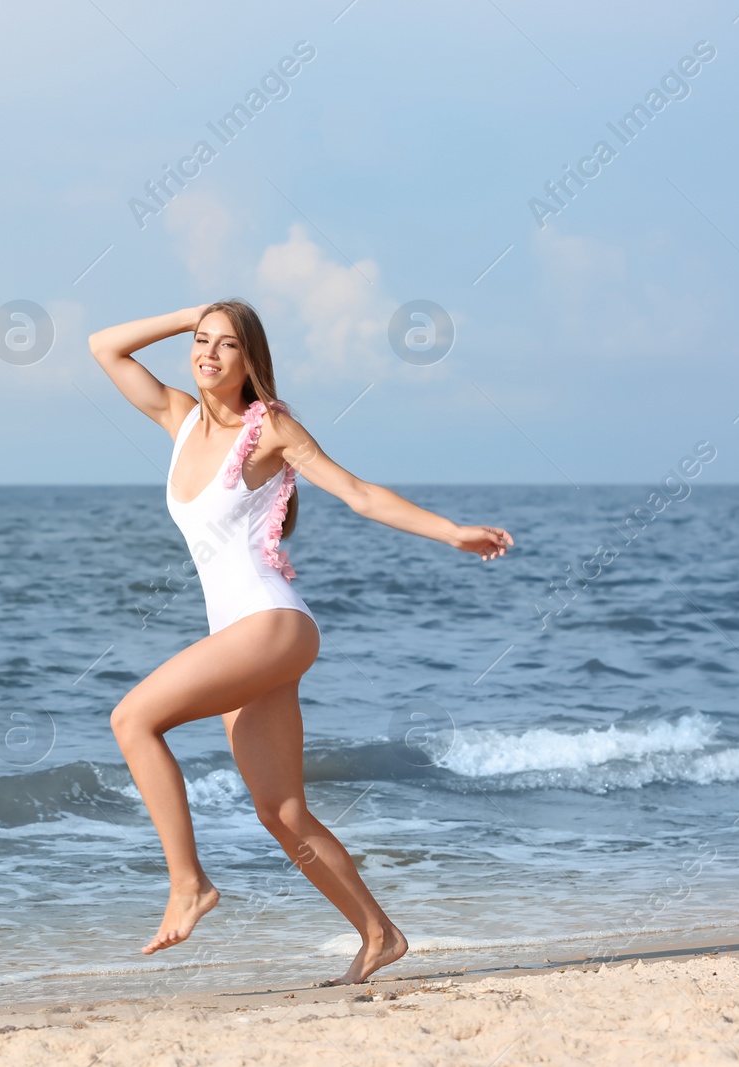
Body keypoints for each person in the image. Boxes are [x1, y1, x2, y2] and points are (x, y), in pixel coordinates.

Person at [87, 299, 513, 985]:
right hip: (239, 634)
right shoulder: (179, 418)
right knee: (281, 810)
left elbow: (359, 493)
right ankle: (380, 934)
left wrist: (452, 530)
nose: (208, 354)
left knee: (132, 717)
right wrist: (195, 309)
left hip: (273, 620)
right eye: (201, 341)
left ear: (250, 359)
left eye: (227, 344)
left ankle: (189, 882)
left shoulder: (272, 429)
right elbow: (104, 344)